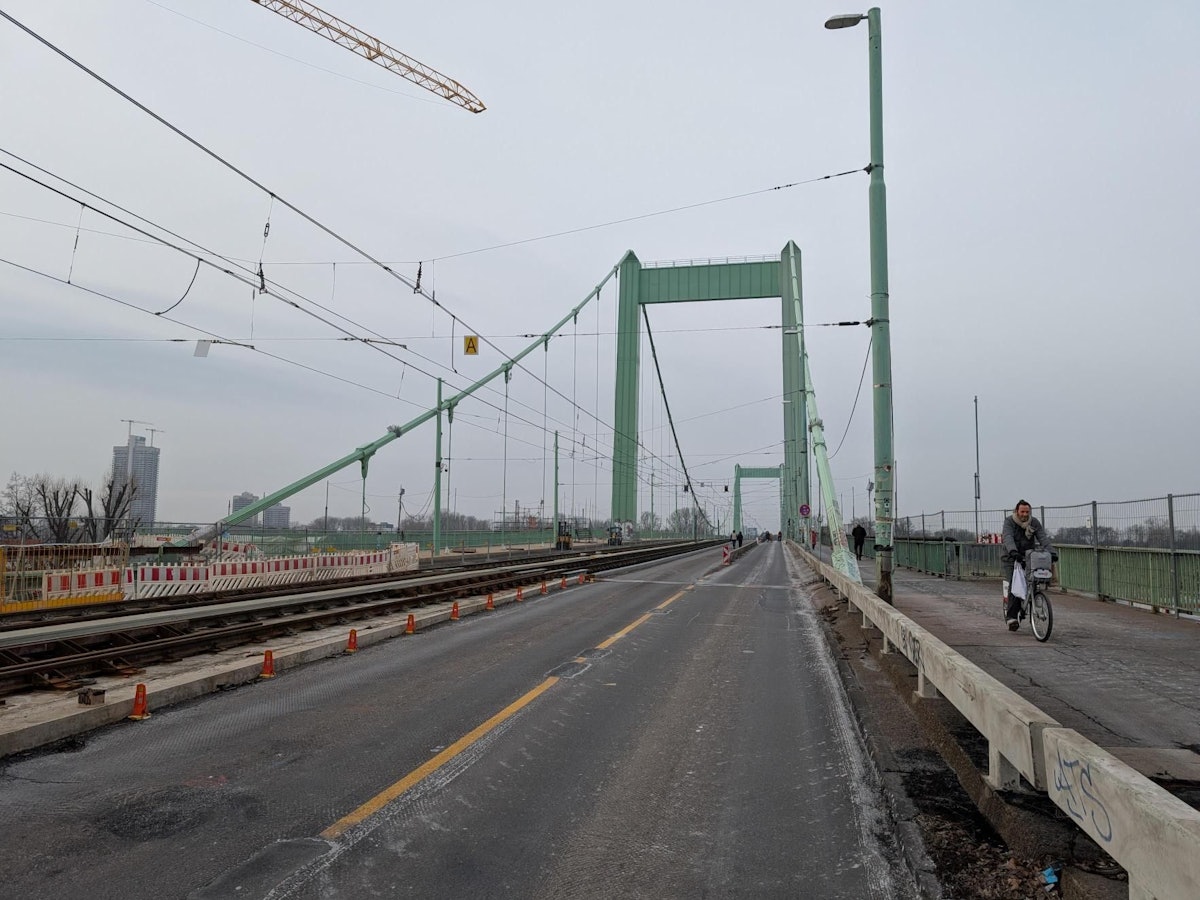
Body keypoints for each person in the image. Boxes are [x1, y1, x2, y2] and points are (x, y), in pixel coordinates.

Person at [1001, 500, 1054, 631]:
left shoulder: (1034, 522)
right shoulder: (1009, 522)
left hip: (1028, 556)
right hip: (1011, 557)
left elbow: (1042, 538)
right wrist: (1013, 551)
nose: (1025, 514)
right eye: (1022, 511)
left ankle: (1033, 601)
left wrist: (1052, 552)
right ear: (1017, 511)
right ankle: (1012, 617)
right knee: (1015, 583)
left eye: (1027, 512)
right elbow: (1008, 537)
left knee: (1033, 581)